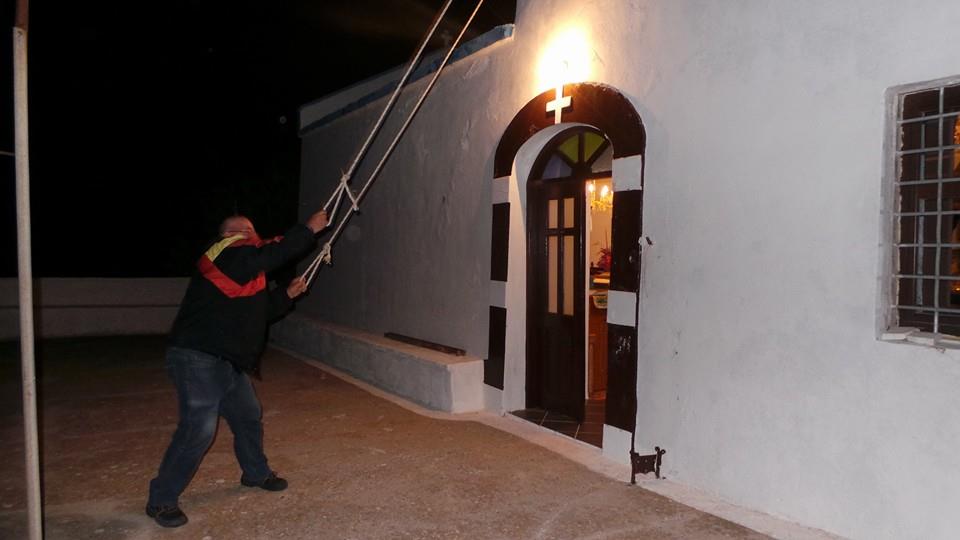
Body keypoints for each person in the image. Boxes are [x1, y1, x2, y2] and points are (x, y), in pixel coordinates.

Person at [145, 209, 329, 528]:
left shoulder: (243, 269)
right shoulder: (221, 253)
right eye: (248, 231)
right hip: (197, 356)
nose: (253, 237)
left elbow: (260, 313)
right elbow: (269, 253)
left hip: (227, 361)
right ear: (232, 233)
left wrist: (286, 295)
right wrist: (307, 230)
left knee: (248, 415)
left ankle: (255, 473)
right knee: (199, 428)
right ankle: (161, 500)